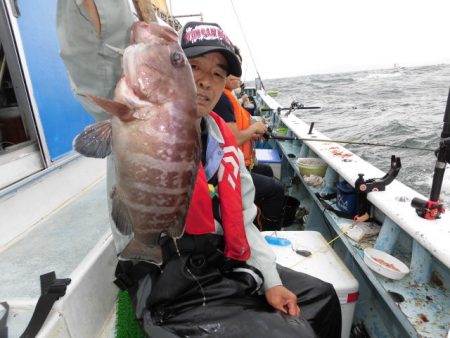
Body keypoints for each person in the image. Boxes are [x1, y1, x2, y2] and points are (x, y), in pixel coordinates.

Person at [57, 7, 341, 337]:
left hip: (218, 261)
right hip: (165, 276)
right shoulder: (133, 106)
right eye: (191, 66)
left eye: (218, 74)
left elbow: (245, 219)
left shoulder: (220, 139)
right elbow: (88, 47)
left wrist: (272, 280)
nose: (206, 81)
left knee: (323, 297)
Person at [213, 48, 286, 231]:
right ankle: (269, 235)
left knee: (267, 170)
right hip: (226, 171)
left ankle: (254, 219)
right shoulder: (222, 99)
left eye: (238, 67)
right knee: (276, 190)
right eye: (233, 69)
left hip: (236, 164)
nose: (238, 74)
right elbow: (233, 140)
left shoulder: (226, 96)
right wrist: (254, 128)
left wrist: (252, 133)